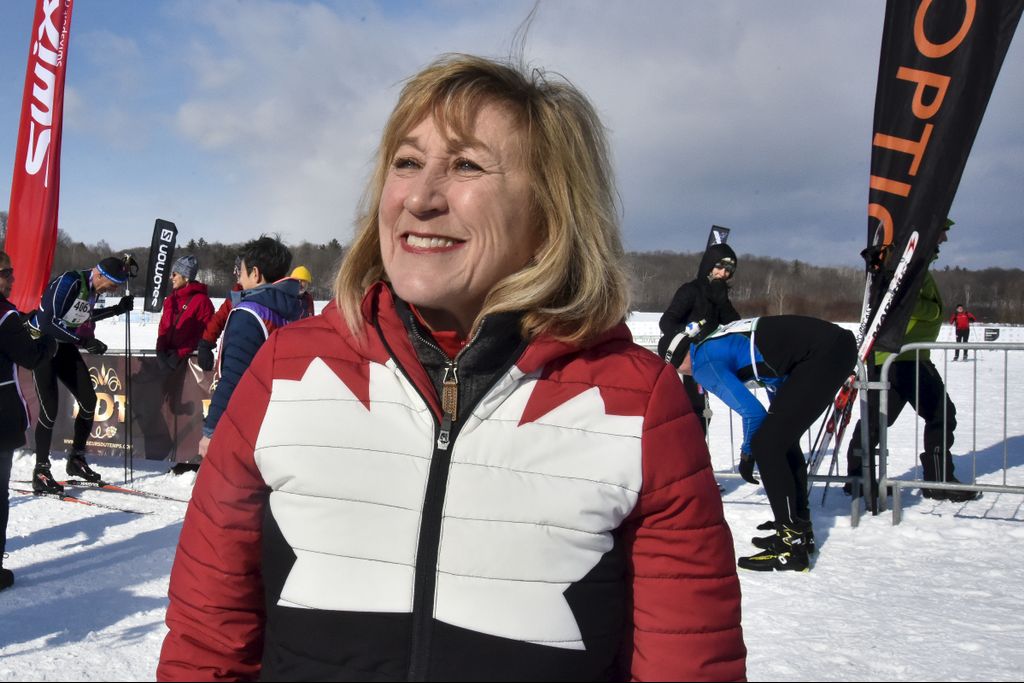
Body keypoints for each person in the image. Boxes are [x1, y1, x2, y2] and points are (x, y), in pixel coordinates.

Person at [159, 54, 746, 681]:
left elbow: (689, 665)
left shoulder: (639, 405)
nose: (419, 197)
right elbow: (207, 642)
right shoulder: (288, 372)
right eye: (406, 163)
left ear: (552, 208)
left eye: (466, 165)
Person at [677, 315, 857, 572]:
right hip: (829, 346)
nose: (682, 373)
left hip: (823, 352)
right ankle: (797, 527)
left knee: (767, 445)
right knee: (779, 440)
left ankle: (790, 545)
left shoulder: (703, 363)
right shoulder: (718, 341)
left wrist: (748, 454)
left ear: (681, 357)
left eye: (677, 367)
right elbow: (775, 381)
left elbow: (753, 413)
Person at [845, 219, 979, 503]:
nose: (944, 238)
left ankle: (858, 477)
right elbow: (900, 304)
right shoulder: (911, 266)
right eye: (943, 230)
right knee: (941, 415)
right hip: (904, 357)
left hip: (901, 357)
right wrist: (933, 311)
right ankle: (938, 482)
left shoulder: (919, 264)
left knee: (877, 421)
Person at [26, 256, 133, 492]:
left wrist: (117, 309)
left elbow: (80, 318)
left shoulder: (92, 289)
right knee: (49, 409)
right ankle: (41, 471)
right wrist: (84, 340)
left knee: (88, 400)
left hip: (63, 347)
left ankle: (76, 459)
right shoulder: (71, 281)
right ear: (100, 274)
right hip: (42, 346)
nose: (113, 289)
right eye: (113, 284)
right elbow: (47, 322)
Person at [195, 236, 300, 460]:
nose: (239, 279)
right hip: (282, 422)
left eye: (241, 272)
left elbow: (234, 377)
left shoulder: (249, 314)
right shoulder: (294, 309)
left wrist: (211, 430)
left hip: (248, 422)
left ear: (255, 273)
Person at [0, 251, 57, 591]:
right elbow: (31, 357)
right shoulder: (5, 317)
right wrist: (49, 341)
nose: (13, 279)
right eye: (8, 273)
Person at [658, 243, 740, 433]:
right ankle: (684, 453)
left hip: (705, 358)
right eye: (720, 267)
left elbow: (735, 325)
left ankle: (695, 452)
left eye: (729, 270)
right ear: (709, 266)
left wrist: (723, 302)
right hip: (683, 354)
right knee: (691, 410)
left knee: (701, 412)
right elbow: (666, 321)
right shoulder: (691, 290)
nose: (723, 274)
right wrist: (687, 330)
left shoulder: (720, 296)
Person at [155, 255, 215, 370]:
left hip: (189, 364)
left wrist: (179, 353)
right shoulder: (170, 299)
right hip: (166, 361)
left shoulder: (202, 302)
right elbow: (163, 327)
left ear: (186, 277)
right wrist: (160, 351)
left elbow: (202, 335)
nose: (171, 278)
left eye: (174, 274)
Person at [196, 256, 243, 372]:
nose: (234, 273)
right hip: (234, 357)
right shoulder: (237, 294)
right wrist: (206, 343)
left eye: (237, 269)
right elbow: (219, 318)